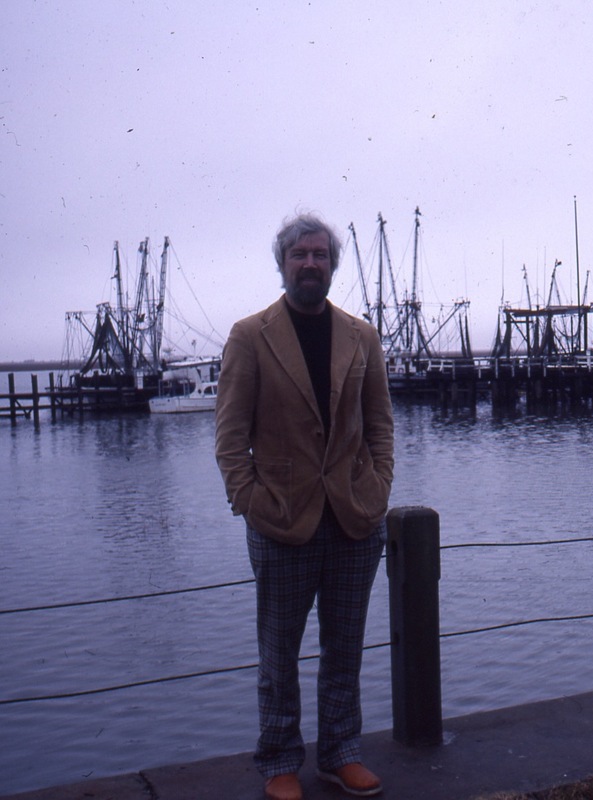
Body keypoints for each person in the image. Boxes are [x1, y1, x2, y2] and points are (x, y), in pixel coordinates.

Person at [215, 213, 394, 800]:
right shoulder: (250, 335)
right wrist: (250, 501)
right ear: (283, 264)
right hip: (281, 520)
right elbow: (229, 436)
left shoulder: (362, 336)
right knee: (279, 653)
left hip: (354, 518)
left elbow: (380, 425)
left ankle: (340, 754)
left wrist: (378, 488)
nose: (311, 264)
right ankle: (280, 760)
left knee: (345, 648)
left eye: (320, 255)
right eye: (300, 255)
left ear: (332, 265)